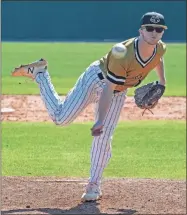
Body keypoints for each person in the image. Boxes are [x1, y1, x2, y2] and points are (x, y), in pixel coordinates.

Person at [12, 11, 167, 201]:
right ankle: (40, 74)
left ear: (162, 32)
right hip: (96, 80)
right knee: (61, 118)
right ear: (141, 31)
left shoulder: (160, 47)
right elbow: (108, 89)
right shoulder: (123, 53)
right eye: (149, 28)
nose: (154, 32)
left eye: (158, 29)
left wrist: (162, 82)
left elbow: (158, 58)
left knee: (103, 137)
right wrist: (100, 120)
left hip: (119, 91)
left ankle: (94, 184)